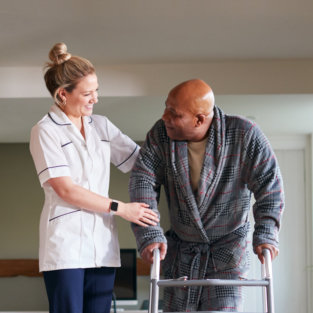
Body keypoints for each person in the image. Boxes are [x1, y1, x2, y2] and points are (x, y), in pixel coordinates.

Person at [129, 79, 284, 312]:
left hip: (227, 250)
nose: (164, 117)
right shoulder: (160, 136)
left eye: (174, 113)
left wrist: (266, 234)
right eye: (166, 108)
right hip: (182, 249)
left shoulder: (245, 134)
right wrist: (149, 234)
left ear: (199, 119)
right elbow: (143, 181)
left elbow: (269, 187)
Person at [29, 42, 159, 313]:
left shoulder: (101, 126)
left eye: (96, 91)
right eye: (87, 93)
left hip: (102, 245)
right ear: (63, 94)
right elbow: (66, 190)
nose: (95, 99)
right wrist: (122, 208)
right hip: (65, 247)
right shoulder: (45, 131)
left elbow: (141, 162)